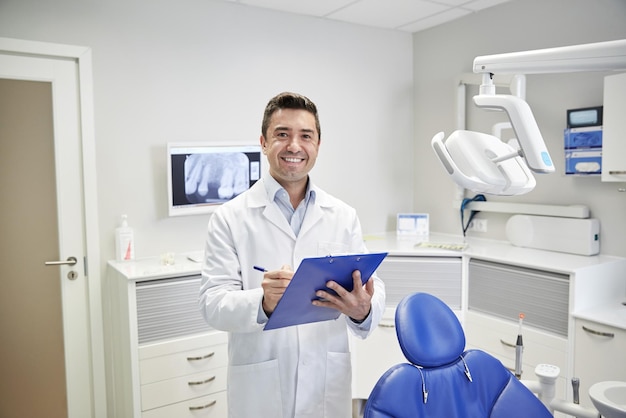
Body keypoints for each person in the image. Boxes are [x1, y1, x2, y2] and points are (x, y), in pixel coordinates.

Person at [198, 91, 386, 418]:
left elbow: (370, 285)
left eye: (305, 136)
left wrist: (363, 309)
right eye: (282, 134)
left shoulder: (342, 215)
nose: (294, 146)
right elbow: (213, 304)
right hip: (261, 387)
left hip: (326, 384)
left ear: (318, 145)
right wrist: (262, 302)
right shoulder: (230, 218)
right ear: (263, 141)